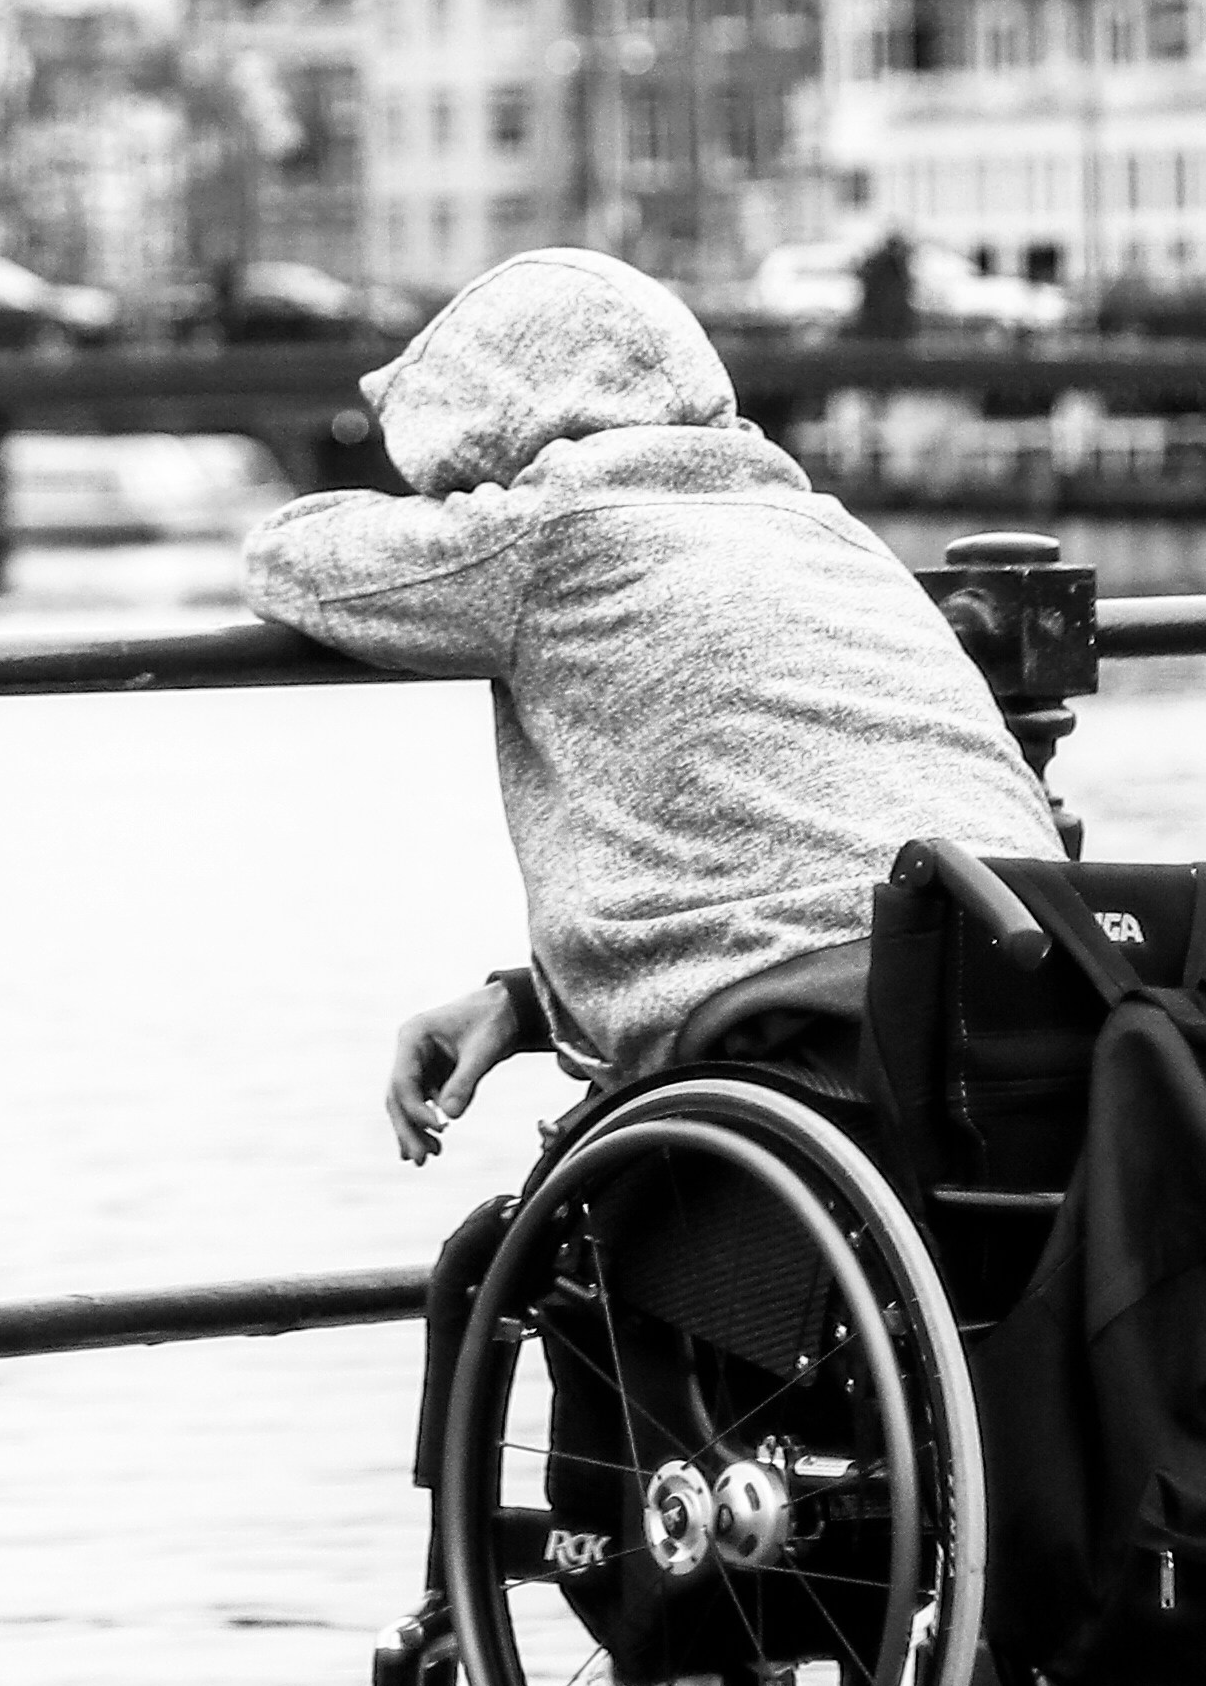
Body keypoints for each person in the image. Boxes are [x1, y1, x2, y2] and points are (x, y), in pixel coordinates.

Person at [244, 243, 1067, 1164]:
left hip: (819, 1035)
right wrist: (524, 1004)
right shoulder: (822, 525)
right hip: (1026, 985)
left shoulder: (550, 534)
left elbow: (291, 559)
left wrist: (461, 505)